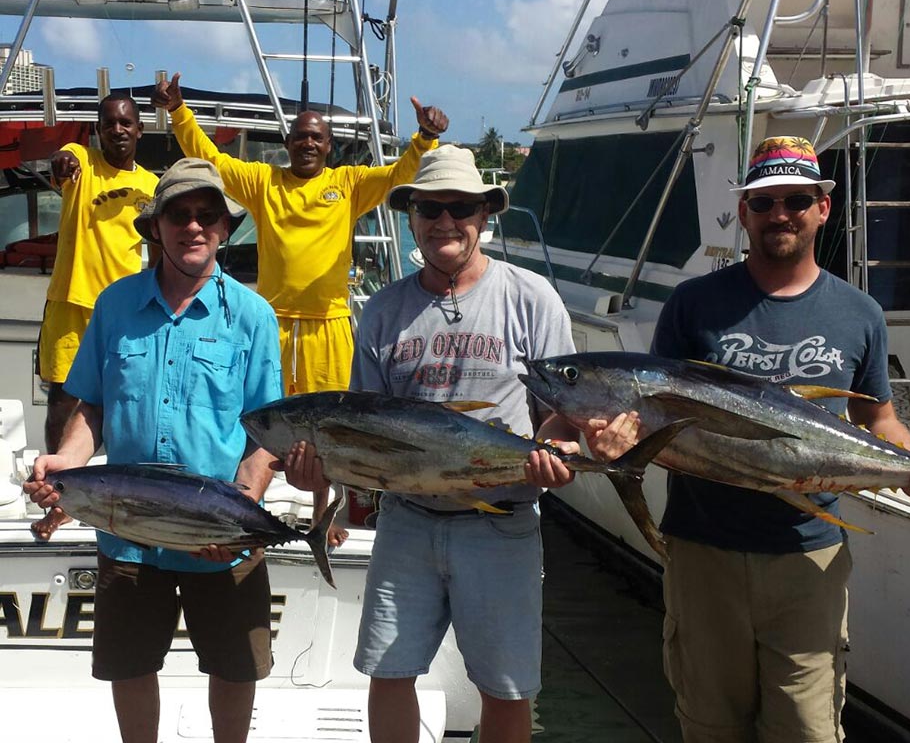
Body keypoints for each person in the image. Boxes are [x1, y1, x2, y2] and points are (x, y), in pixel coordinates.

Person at [586, 136, 910, 743]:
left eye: (795, 199)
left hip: (808, 555)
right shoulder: (693, 303)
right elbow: (650, 419)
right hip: (703, 551)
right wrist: (613, 446)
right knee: (711, 728)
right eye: (763, 202)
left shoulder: (859, 311)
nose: (779, 213)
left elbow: (880, 420)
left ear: (823, 208)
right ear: (744, 214)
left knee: (808, 732)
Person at [283, 145, 579, 743]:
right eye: (430, 209)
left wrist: (558, 454)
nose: (446, 221)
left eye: (461, 208)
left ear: (485, 215)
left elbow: (562, 416)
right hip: (407, 522)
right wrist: (323, 481)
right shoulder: (383, 311)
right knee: (388, 673)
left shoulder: (532, 298)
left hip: (502, 523)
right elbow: (364, 433)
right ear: (411, 217)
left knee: (506, 686)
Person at [23, 158, 283, 743]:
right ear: (156, 226)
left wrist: (243, 506)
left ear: (223, 228)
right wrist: (69, 461)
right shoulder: (115, 306)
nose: (194, 227)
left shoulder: (253, 316)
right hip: (128, 530)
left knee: (235, 667)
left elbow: (266, 436)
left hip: (220, 531)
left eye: (207, 216)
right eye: (180, 215)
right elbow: (91, 406)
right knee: (132, 666)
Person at [150, 72, 449, 395]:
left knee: (330, 423)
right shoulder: (263, 182)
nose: (309, 143)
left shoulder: (350, 184)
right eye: (301, 137)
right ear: (287, 143)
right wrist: (179, 112)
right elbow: (212, 162)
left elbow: (398, 176)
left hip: (328, 327)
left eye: (317, 138)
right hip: (270, 322)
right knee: (265, 416)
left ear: (328, 146)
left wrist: (423, 138)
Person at [38, 92, 159, 455]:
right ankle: (56, 494)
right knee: (62, 399)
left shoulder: (152, 187)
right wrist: (60, 161)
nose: (117, 130)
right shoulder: (81, 161)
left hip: (123, 307)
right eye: (109, 124)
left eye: (126, 123)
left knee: (124, 398)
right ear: (97, 130)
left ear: (140, 130)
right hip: (71, 302)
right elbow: (62, 158)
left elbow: (157, 256)